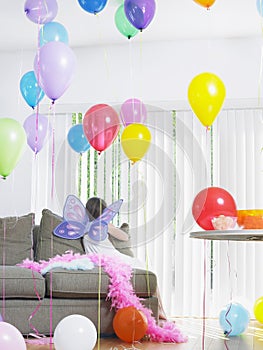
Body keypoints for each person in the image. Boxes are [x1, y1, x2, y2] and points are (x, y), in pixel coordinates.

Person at [82, 196, 167, 320]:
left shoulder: (96, 226)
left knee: (149, 272)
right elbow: (125, 237)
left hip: (111, 258)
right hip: (107, 261)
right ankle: (160, 310)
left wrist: (108, 226)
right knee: (149, 272)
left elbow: (124, 237)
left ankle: (160, 309)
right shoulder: (85, 226)